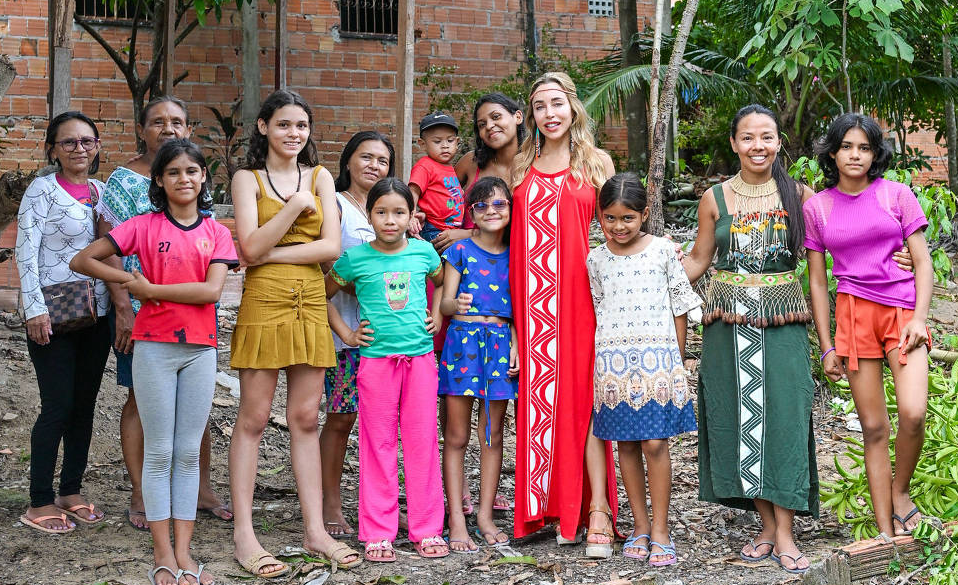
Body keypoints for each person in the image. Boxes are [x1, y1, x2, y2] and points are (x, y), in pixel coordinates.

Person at [71, 139, 237, 585]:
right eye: (174, 172)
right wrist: (129, 279)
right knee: (160, 451)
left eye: (193, 171)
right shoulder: (143, 226)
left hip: (201, 349)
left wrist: (151, 291)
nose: (184, 179)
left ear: (204, 178)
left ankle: (185, 553)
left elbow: (210, 292)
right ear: (159, 181)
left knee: (187, 453)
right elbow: (83, 258)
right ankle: (162, 553)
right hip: (153, 347)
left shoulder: (217, 231)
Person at [229, 90, 360, 577]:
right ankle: (245, 534)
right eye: (284, 124)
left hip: (310, 301)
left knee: (306, 417)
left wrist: (266, 252)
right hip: (264, 302)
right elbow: (247, 243)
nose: (294, 134)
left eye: (302, 125)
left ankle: (314, 531)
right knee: (254, 418)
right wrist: (294, 208)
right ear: (263, 127)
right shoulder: (248, 178)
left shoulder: (322, 176)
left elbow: (329, 248)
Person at [683, 104, 819, 574]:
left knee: (783, 419)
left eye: (766, 137)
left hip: (783, 325)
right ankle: (767, 525)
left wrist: (898, 256)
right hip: (726, 327)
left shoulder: (800, 195)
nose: (757, 146)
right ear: (734, 144)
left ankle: (785, 531)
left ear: (778, 141)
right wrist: (640, 264)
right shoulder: (715, 198)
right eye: (748, 138)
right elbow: (698, 261)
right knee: (738, 423)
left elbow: (836, 248)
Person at [95, 95, 230, 531]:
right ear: (141, 129)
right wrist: (122, 306)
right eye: (158, 122)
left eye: (177, 122)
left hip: (191, 315)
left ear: (188, 130)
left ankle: (198, 488)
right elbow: (107, 247)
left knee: (193, 409)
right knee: (141, 400)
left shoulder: (193, 180)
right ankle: (142, 491)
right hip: (139, 308)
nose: (168, 129)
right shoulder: (123, 181)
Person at [805, 113, 931, 538]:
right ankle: (885, 534)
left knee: (913, 414)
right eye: (846, 147)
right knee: (874, 427)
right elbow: (819, 282)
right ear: (833, 153)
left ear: (875, 154)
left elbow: (924, 262)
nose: (855, 155)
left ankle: (900, 492)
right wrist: (826, 346)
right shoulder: (817, 206)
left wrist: (919, 318)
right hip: (853, 316)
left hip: (901, 313)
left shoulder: (896, 196)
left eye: (864, 147)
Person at [509, 72, 619, 555]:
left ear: (573, 108)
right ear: (530, 115)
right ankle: (543, 507)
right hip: (530, 307)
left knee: (581, 404)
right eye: (539, 106)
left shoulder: (596, 163)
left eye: (557, 103)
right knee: (538, 406)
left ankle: (594, 511)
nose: (549, 114)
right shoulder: (519, 165)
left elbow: (618, 231)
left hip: (580, 301)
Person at [325, 178, 449, 562]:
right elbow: (323, 292)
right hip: (376, 363)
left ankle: (426, 528)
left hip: (420, 361)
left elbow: (443, 280)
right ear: (369, 214)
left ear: (412, 216)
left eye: (399, 212)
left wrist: (438, 315)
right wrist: (346, 331)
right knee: (377, 444)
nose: (390, 220)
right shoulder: (355, 260)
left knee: (422, 441)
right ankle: (378, 530)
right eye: (382, 212)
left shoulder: (423, 253)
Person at [587, 173, 701, 564]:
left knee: (655, 443)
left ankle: (661, 529)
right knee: (628, 445)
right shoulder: (596, 258)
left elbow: (679, 304)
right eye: (611, 219)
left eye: (628, 218)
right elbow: (599, 306)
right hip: (614, 364)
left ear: (645, 215)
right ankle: (638, 525)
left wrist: (678, 359)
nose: (619, 227)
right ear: (600, 217)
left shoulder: (663, 250)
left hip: (659, 362)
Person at [15, 111, 111, 534]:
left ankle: (70, 491)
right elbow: (25, 250)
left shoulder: (101, 191)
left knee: (85, 403)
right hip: (52, 314)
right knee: (57, 404)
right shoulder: (42, 190)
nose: (79, 149)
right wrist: (32, 308)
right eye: (69, 142)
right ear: (52, 148)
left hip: (97, 312)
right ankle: (38, 501)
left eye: (87, 141)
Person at [450, 92, 527, 514]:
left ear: (518, 117)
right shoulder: (468, 165)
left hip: (511, 282)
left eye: (496, 117)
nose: (489, 127)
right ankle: (458, 496)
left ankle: (488, 499)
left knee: (495, 424)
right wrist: (457, 237)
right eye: (481, 122)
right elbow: (440, 207)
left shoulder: (534, 162)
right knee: (458, 420)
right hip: (467, 291)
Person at [319, 130, 394, 538]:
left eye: (382, 161)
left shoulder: (390, 209)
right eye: (365, 157)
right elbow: (322, 279)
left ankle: (375, 507)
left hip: (389, 341)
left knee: (379, 425)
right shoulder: (334, 205)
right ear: (347, 161)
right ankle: (329, 504)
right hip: (347, 336)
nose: (373, 166)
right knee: (342, 418)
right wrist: (344, 330)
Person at [438, 176, 518, 552]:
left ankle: (485, 515)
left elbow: (522, 310)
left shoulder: (518, 254)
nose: (490, 211)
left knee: (493, 433)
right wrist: (458, 306)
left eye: (499, 204)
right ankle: (456, 517)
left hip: (501, 346)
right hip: (462, 344)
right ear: (471, 213)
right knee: (456, 436)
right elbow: (445, 304)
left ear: (510, 208)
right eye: (482, 206)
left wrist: (517, 344)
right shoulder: (459, 252)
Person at [408, 112, 466, 242]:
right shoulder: (424, 166)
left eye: (450, 140)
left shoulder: (450, 168)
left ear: (456, 143)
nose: (445, 145)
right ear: (422, 144)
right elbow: (412, 192)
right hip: (435, 229)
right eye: (437, 141)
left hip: (452, 230)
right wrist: (410, 216)